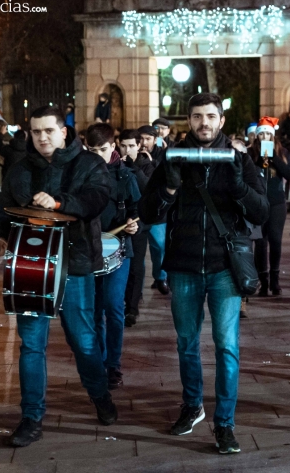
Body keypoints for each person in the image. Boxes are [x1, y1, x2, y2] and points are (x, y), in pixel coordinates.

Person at [138, 92, 269, 454]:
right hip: (183, 266)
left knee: (227, 346)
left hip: (224, 267)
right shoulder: (173, 158)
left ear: (221, 120)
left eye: (211, 116)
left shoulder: (239, 160)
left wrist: (239, 186)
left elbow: (261, 213)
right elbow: (147, 211)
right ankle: (192, 405)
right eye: (197, 117)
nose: (204, 123)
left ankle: (224, 423)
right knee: (186, 343)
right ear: (189, 120)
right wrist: (168, 187)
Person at [0, 105, 116, 447]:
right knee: (31, 345)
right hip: (30, 266)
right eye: (35, 131)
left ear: (64, 131)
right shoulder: (19, 170)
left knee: (83, 340)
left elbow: (96, 199)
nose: (42, 137)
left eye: (48, 130)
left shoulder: (89, 164)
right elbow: (2, 210)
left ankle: (100, 395)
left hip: (74, 266)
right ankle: (31, 418)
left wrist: (59, 203)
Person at [86, 123, 141, 389]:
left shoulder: (126, 176)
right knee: (94, 310)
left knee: (113, 306)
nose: (98, 155)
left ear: (113, 147)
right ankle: (100, 363)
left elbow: (137, 209)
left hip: (120, 247)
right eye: (92, 150)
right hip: (88, 249)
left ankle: (113, 366)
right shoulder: (80, 175)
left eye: (103, 149)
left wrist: (133, 223)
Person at [248, 117, 290, 296]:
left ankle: (275, 280)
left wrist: (274, 157)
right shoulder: (251, 153)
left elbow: (289, 173)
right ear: (257, 137)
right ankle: (263, 281)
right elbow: (249, 174)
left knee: (275, 240)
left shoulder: (282, 152)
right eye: (262, 134)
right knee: (260, 242)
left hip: (276, 202)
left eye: (269, 133)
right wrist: (259, 159)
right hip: (258, 203)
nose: (265, 137)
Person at [118, 129, 151, 327]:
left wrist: (132, 166)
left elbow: (147, 188)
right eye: (124, 145)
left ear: (138, 146)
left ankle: (132, 308)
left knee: (136, 266)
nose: (127, 149)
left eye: (131, 145)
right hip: (119, 222)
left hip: (139, 222)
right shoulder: (114, 164)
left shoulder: (146, 165)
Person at [137, 125, 169, 295]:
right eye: (141, 139)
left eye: (147, 139)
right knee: (138, 250)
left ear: (154, 140)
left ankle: (160, 277)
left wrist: (150, 163)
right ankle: (137, 285)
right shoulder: (132, 153)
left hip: (157, 211)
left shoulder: (161, 155)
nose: (143, 143)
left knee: (159, 246)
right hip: (138, 211)